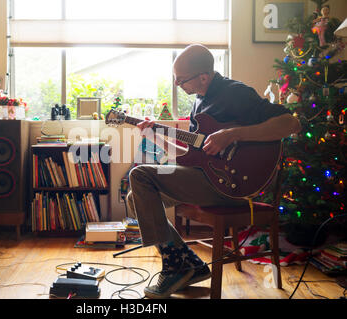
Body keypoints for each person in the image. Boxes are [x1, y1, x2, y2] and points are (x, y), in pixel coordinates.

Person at [126, 44, 301, 299]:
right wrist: (155, 136)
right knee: (135, 198)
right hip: (208, 179)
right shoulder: (199, 103)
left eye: (181, 80)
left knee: (139, 174)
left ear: (203, 77)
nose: (177, 85)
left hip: (233, 183)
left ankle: (175, 265)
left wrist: (233, 134)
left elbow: (291, 123)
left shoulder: (236, 94)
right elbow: (187, 156)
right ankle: (188, 263)